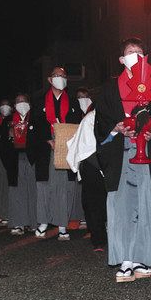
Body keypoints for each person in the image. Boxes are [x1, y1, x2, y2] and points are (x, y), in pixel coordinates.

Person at [94, 37, 151, 282]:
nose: (135, 55)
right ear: (121, 59)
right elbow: (102, 123)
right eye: (130, 52)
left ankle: (142, 257)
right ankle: (125, 259)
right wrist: (116, 129)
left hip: (147, 151)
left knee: (146, 204)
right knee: (121, 206)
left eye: (139, 51)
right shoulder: (109, 88)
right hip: (121, 152)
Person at [30, 66, 82, 240]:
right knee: (44, 187)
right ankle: (43, 222)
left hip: (65, 148)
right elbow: (34, 127)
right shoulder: (38, 101)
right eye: (57, 76)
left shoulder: (73, 102)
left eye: (63, 76)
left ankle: (61, 225)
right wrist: (47, 139)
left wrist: (66, 142)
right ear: (50, 80)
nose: (60, 78)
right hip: (46, 149)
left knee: (62, 189)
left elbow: (77, 127)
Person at [66, 88, 108, 252]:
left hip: (107, 166)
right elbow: (85, 148)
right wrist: (101, 167)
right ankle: (98, 239)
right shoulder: (90, 119)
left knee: (108, 204)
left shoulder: (111, 118)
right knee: (94, 204)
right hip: (92, 166)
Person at [4, 94, 38, 235]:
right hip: (15, 158)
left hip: (32, 158)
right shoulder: (9, 120)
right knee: (17, 192)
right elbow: (0, 140)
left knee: (33, 190)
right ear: (14, 106)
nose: (21, 103)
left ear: (29, 103)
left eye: (23, 101)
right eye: (18, 102)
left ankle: (33, 222)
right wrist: (9, 135)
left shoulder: (35, 118)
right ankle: (18, 223)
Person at [70, 87, 92, 230]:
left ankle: (89, 218)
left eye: (84, 96)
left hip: (91, 155)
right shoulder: (74, 113)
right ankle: (81, 217)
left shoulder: (94, 113)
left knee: (91, 189)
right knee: (79, 190)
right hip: (78, 154)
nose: (81, 99)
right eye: (78, 97)